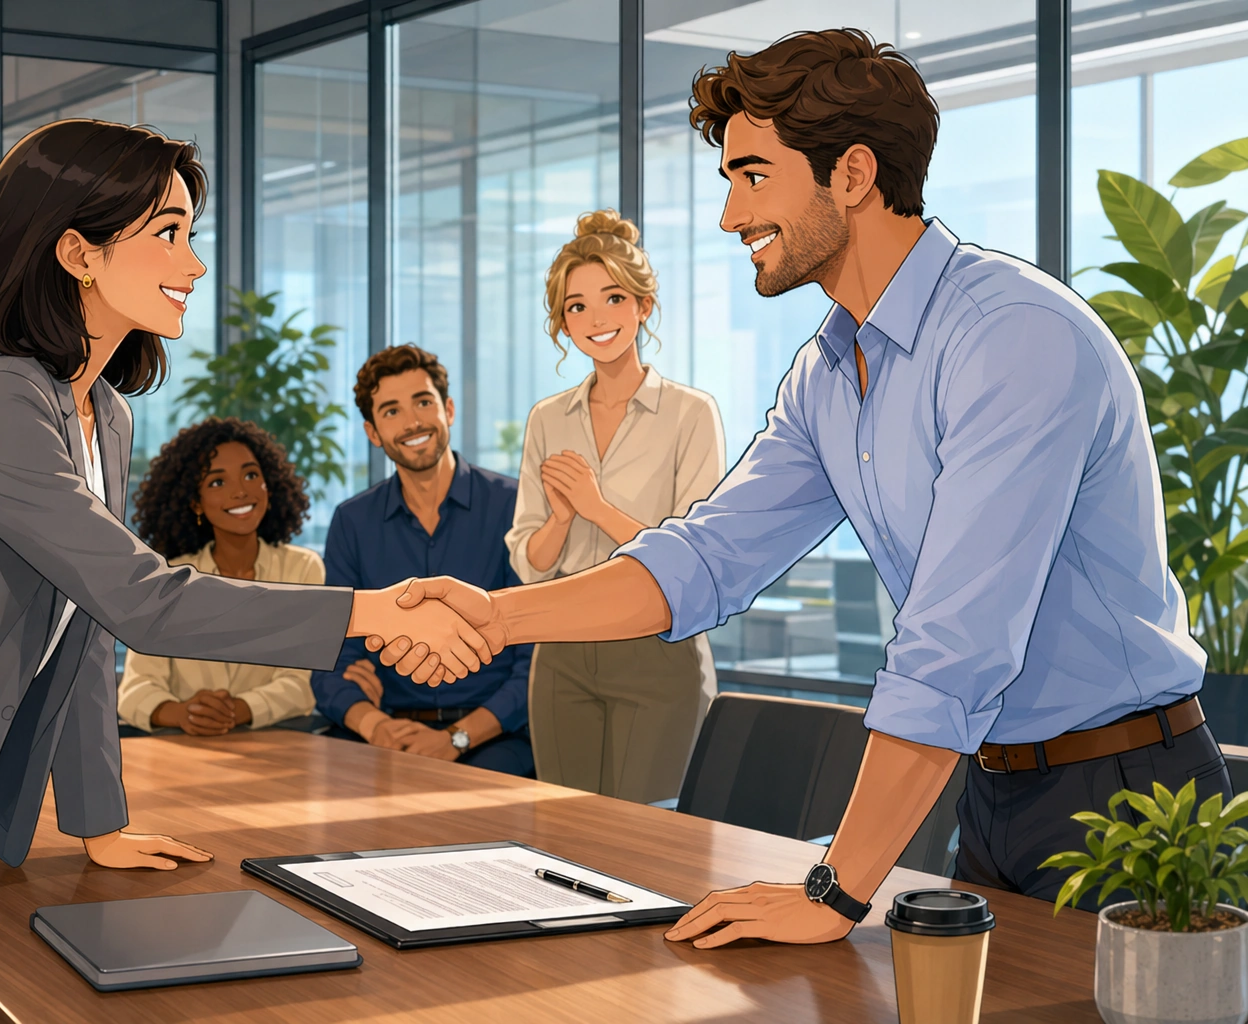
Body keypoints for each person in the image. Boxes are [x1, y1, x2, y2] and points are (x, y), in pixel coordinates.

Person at [373, 28, 1227, 949]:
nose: (730, 217)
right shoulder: (829, 373)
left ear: (851, 173)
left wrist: (833, 890)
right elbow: (704, 558)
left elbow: (956, 643)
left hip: (1133, 794)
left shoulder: (1011, 337)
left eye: (752, 177)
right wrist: (499, 619)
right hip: (987, 785)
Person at [0, 118, 488, 1024]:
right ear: (77, 252)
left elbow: (86, 631)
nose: (193, 263)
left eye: (189, 234)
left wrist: (101, 824)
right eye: (166, 233)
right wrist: (373, 611)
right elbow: (140, 602)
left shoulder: (102, 415)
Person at [505, 210, 724, 803]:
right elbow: (530, 564)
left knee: (646, 837)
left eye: (612, 297)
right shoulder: (547, 419)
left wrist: (597, 508)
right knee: (564, 834)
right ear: (563, 324)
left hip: (657, 648)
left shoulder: (690, 413)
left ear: (642, 306)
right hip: (561, 649)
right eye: (576, 307)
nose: (595, 319)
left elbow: (695, 561)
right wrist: (561, 517)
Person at [312, 345, 535, 777]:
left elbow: (535, 659)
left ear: (448, 409)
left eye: (423, 402)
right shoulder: (352, 521)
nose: (412, 422)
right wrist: (375, 725)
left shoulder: (514, 507)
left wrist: (457, 738)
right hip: (385, 731)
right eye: (391, 411)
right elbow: (330, 657)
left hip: (494, 737)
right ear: (373, 432)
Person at [120, 416, 322, 735]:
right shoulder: (168, 577)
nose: (240, 492)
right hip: (182, 750)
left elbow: (301, 685)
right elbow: (134, 690)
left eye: (251, 475)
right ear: (195, 502)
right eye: (217, 482)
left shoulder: (303, 569)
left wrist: (234, 712)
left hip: (277, 748)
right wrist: (184, 713)